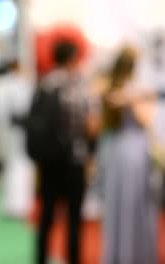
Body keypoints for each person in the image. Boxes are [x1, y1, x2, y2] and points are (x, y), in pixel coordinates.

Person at [29, 41, 98, 264]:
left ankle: (40, 257)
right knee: (73, 216)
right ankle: (73, 257)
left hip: (49, 160)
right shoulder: (81, 86)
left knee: (47, 215)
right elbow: (91, 125)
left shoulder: (45, 83)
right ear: (73, 58)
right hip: (74, 160)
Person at [98, 47, 161, 264]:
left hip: (119, 151)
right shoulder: (128, 91)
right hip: (132, 152)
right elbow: (146, 120)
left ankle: (124, 253)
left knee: (126, 203)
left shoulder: (118, 91)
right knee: (132, 202)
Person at [0, 60, 34, 218]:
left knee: (17, 168)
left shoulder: (10, 85)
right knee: (12, 168)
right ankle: (14, 205)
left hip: (16, 133)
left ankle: (17, 204)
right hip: (12, 133)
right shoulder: (9, 85)